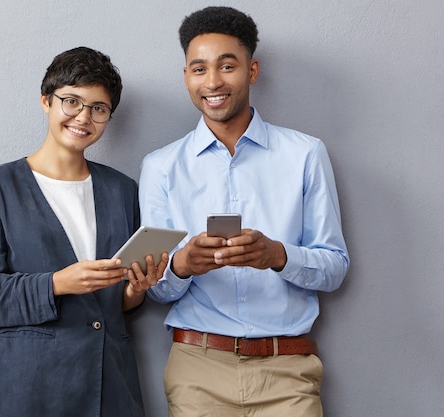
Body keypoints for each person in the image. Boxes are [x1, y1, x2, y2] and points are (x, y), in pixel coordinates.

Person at [138, 6, 350, 417]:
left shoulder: (306, 154)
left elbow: (335, 267)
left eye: (227, 66)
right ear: (186, 77)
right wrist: (183, 264)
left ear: (252, 71)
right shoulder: (160, 167)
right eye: (199, 69)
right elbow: (157, 289)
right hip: (197, 369)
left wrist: (278, 256)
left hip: (287, 370)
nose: (213, 81)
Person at [0, 46, 168, 417]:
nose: (83, 117)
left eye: (98, 109)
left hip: (111, 385)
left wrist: (135, 289)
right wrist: (57, 282)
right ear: (46, 101)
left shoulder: (122, 190)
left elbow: (117, 303)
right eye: (71, 101)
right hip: (30, 388)